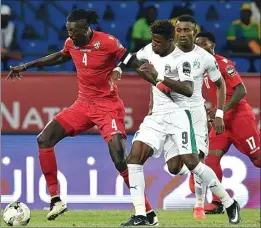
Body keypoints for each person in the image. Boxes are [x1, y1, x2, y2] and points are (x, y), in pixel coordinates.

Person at [7, 9, 158, 225]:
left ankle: (147, 213)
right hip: (83, 105)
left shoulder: (107, 42)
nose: (70, 35)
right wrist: (27, 65)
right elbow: (60, 56)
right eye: (68, 30)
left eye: (74, 31)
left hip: (108, 107)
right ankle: (56, 199)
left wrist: (155, 80)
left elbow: (130, 60)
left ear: (87, 29)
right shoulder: (71, 43)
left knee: (118, 158)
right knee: (43, 139)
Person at [120, 20, 240, 226]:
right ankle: (142, 215)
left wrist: (158, 77)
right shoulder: (150, 48)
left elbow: (187, 89)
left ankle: (227, 203)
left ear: (170, 40)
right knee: (136, 157)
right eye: (179, 29)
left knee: (194, 162)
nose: (153, 45)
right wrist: (119, 70)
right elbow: (131, 59)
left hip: (182, 115)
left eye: (158, 41)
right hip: (157, 115)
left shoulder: (184, 60)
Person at [161, 15, 226, 220]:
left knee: (198, 159)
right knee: (174, 168)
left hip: (196, 113)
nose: (182, 34)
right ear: (175, 31)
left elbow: (220, 85)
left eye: (187, 30)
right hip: (172, 112)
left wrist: (219, 113)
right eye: (179, 30)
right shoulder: (166, 54)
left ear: (194, 32)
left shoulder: (206, 57)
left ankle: (199, 205)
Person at [194, 31, 260, 214]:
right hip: (220, 120)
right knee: (211, 157)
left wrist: (221, 112)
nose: (201, 47)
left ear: (213, 45)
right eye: (197, 44)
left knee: (258, 159)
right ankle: (217, 203)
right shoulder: (198, 69)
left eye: (205, 43)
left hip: (239, 117)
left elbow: (241, 90)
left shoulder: (223, 64)